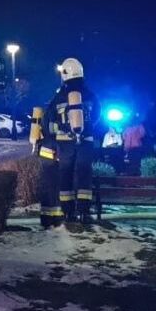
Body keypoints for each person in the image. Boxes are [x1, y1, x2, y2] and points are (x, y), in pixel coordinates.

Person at [45, 58, 100, 225]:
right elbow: (98, 115)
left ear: (64, 74)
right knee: (84, 174)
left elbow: (49, 119)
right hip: (86, 140)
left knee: (65, 175)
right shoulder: (90, 94)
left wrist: (56, 133)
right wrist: (87, 130)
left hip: (65, 142)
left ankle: (68, 212)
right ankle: (84, 212)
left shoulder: (59, 96)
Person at [34, 97, 64, 228]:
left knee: (47, 188)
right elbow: (55, 133)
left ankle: (46, 218)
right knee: (56, 188)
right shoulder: (55, 116)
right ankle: (57, 218)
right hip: (53, 153)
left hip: (44, 153)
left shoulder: (45, 115)